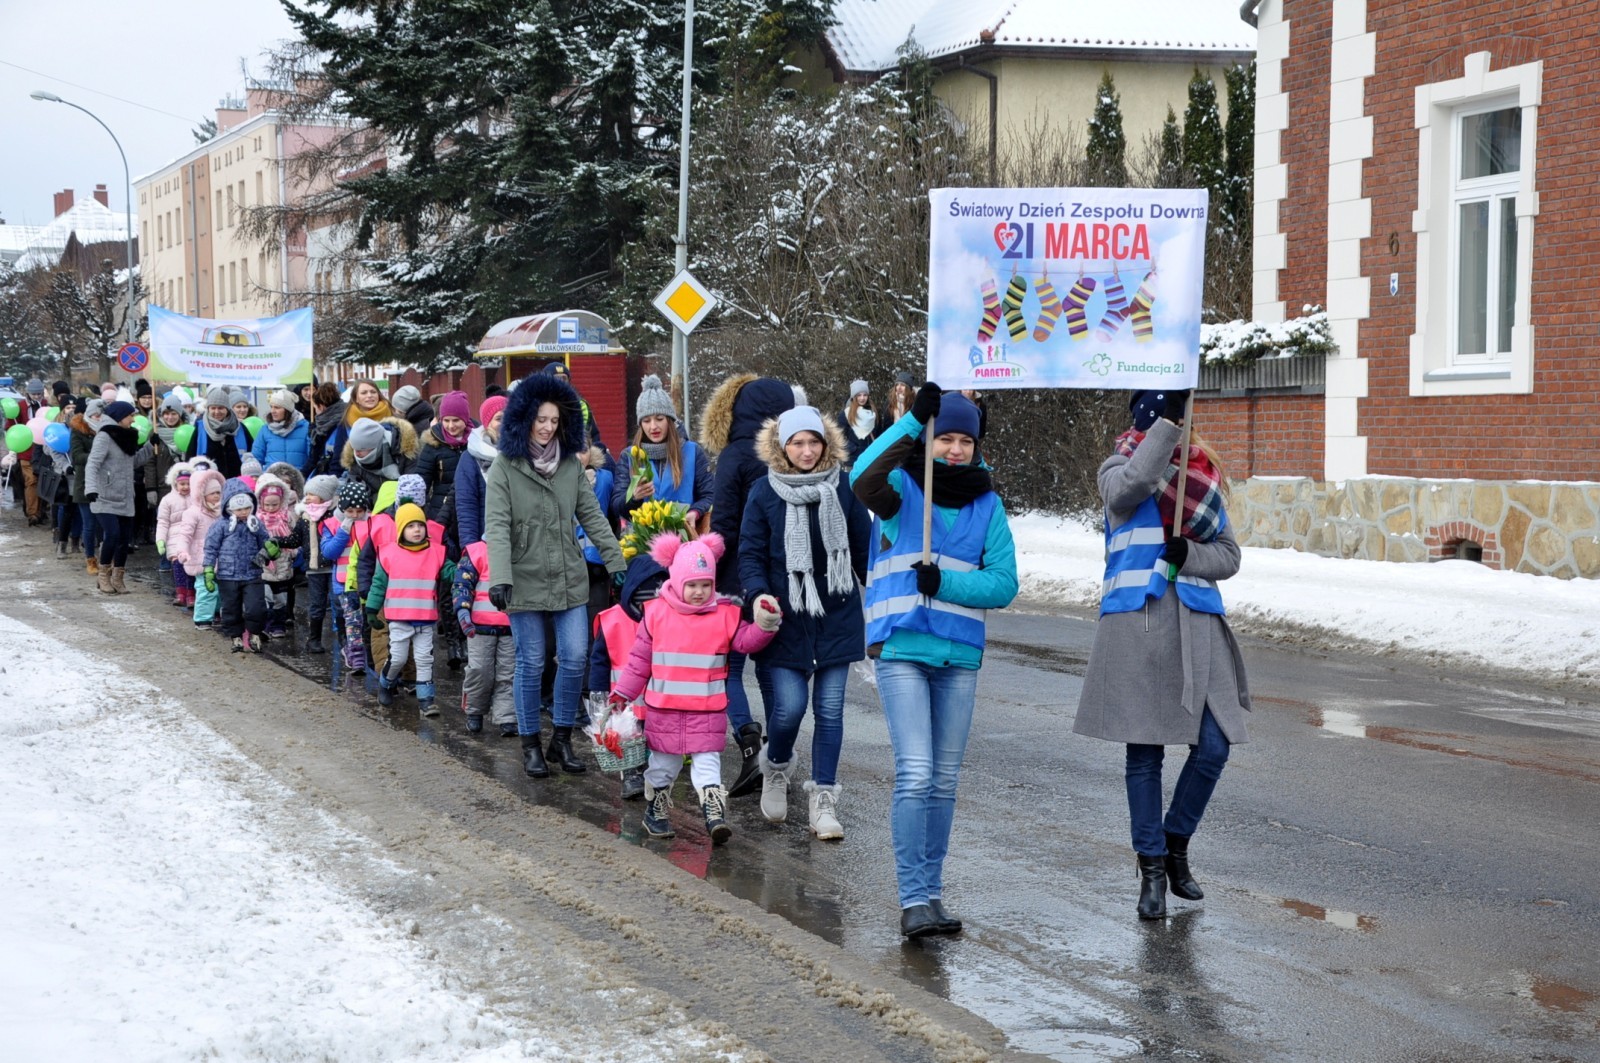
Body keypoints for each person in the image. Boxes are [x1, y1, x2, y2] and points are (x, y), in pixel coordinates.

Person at [1073, 388, 1250, 921]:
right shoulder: (1117, 468)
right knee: (1145, 754)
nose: (1177, 435)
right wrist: (1166, 426)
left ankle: (1175, 844)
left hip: (1198, 625)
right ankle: (1150, 867)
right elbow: (1137, 485)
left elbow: (1230, 555)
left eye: (1179, 423)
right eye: (1168, 424)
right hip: (1139, 626)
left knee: (1215, 745)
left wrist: (1191, 553)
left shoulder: (1202, 478)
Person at [851, 383, 1019, 938]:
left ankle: (932, 894)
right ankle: (913, 899)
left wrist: (945, 582)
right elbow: (860, 476)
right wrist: (908, 422)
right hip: (902, 650)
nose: (953, 449)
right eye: (942, 437)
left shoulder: (987, 503)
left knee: (944, 781)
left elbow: (1003, 583)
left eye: (963, 440)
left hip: (959, 657)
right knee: (917, 772)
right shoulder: (900, 489)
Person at [484, 371, 625, 779]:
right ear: (525, 418)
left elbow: (594, 518)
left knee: (576, 656)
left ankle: (561, 738)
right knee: (532, 661)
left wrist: (618, 565)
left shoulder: (568, 465)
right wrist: (500, 576)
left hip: (568, 575)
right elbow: (496, 525)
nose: (547, 428)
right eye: (540, 420)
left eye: (554, 421)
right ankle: (531, 744)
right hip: (522, 578)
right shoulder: (506, 468)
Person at [740, 406, 870, 840]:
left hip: (837, 615)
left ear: (826, 444)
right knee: (790, 707)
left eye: (814, 442)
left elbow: (863, 550)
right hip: (785, 618)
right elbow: (751, 554)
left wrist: (888, 600)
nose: (807, 450)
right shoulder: (763, 492)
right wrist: (758, 595)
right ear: (782, 446)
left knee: (830, 711)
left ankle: (824, 798)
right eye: (798, 442)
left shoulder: (843, 488)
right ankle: (775, 766)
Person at [607, 533, 781, 844]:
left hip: (707, 709)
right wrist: (622, 694)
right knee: (663, 764)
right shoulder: (656, 613)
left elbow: (745, 641)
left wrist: (764, 626)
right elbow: (638, 661)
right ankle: (656, 810)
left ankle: (714, 814)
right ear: (676, 581)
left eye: (705, 584)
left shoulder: (725, 614)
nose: (699, 592)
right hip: (665, 709)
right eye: (692, 585)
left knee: (708, 762)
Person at [697, 373, 794, 795]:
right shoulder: (790, 455)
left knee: (728, 666)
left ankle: (749, 742)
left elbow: (723, 525)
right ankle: (778, 753)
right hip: (781, 578)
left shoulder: (735, 455)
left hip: (736, 576)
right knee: (772, 669)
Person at [587, 554, 667, 799]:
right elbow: (599, 660)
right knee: (628, 742)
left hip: (658, 701)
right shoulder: (612, 620)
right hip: (623, 702)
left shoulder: (668, 620)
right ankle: (632, 777)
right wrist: (598, 696)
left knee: (655, 744)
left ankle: (655, 778)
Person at [366, 502, 454, 716]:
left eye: (420, 525)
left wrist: (465, 572)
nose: (417, 530)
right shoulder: (388, 554)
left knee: (425, 660)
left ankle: (426, 700)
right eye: (411, 526)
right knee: (398, 658)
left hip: (424, 620)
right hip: (398, 619)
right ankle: (386, 684)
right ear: (401, 529)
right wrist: (371, 609)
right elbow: (378, 584)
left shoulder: (436, 553)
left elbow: (451, 572)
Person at [613, 374, 711, 528]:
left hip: (683, 540)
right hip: (641, 544)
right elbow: (617, 507)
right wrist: (634, 498)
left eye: (659, 419)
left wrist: (695, 511)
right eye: (646, 421)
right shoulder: (629, 456)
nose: (653, 427)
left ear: (670, 420)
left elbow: (710, 495)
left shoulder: (693, 452)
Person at [84, 400, 153, 594]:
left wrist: (149, 446)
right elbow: (92, 464)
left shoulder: (128, 436)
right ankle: (103, 574)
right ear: (120, 416)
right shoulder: (105, 435)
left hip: (125, 496)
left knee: (124, 540)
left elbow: (134, 462)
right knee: (112, 535)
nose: (133, 419)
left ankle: (118, 577)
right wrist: (91, 488)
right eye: (130, 415)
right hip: (104, 495)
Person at [453, 536, 517, 736]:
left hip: (513, 625)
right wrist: (463, 611)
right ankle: (474, 711)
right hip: (479, 627)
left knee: (509, 673)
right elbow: (462, 585)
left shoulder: (521, 550)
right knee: (480, 671)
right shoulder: (475, 552)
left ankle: (506, 717)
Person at [204, 479, 274, 653]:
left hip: (252, 574)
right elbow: (211, 547)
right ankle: (235, 636)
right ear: (229, 508)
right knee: (231, 608)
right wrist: (208, 569)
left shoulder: (256, 524)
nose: (243, 512)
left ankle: (255, 632)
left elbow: (266, 541)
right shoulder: (220, 526)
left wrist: (271, 549)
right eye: (239, 509)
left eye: (247, 508)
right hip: (228, 575)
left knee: (256, 608)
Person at [324, 479, 373, 673]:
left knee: (366, 620)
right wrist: (343, 531)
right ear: (343, 508)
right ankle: (357, 657)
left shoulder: (372, 523)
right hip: (344, 582)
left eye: (359, 511)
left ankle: (364, 654)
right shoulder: (332, 525)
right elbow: (329, 552)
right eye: (350, 511)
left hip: (366, 580)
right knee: (352, 620)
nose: (354, 516)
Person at [169, 469, 226, 628]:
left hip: (220, 558)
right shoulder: (192, 513)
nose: (216, 496)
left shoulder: (222, 513)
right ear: (201, 494)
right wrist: (182, 551)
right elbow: (184, 535)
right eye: (212, 493)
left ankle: (217, 613)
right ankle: (202, 618)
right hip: (200, 559)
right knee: (205, 588)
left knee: (220, 588)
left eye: (218, 492)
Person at [253, 473, 303, 638]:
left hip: (283, 562)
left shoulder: (286, 517)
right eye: (267, 504)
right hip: (265, 564)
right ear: (260, 501)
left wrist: (294, 551)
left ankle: (278, 624)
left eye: (275, 504)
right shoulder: (257, 519)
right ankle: (266, 626)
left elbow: (295, 535)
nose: (270, 508)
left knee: (281, 598)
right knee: (266, 596)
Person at [454, 394, 505, 548]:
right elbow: (466, 508)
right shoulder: (470, 458)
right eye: (499, 418)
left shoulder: (523, 453)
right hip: (487, 542)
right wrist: (470, 549)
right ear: (487, 422)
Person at [414, 389, 472, 526]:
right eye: (446, 420)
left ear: (465, 418)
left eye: (456, 420)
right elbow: (422, 482)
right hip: (439, 512)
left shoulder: (477, 442)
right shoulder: (433, 444)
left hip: (470, 509)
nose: (451, 426)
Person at [298, 474, 341, 654]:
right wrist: (279, 542)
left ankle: (346, 640)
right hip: (315, 569)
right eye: (306, 494)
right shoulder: (305, 516)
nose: (307, 498)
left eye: (312, 494)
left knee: (339, 603)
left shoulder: (337, 515)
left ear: (325, 497)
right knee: (317, 604)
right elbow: (296, 538)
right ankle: (313, 639)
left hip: (334, 567)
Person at [340, 413, 419, 497]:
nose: (356, 453)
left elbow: (413, 490)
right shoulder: (353, 462)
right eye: (354, 448)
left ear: (376, 446)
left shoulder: (404, 453)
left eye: (362, 449)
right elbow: (357, 496)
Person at [183, 386, 255, 477]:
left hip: (237, 483)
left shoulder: (239, 428)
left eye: (221, 408)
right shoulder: (200, 428)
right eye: (213, 408)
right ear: (208, 409)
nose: (216, 412)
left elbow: (252, 455)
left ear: (228, 409)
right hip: (208, 484)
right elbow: (190, 458)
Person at [156, 462, 197, 607]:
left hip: (192, 538)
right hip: (174, 538)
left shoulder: (196, 498)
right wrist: (161, 540)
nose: (186, 487)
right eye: (182, 484)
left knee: (191, 567)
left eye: (188, 483)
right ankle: (181, 593)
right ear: (175, 483)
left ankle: (191, 594)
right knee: (178, 566)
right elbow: (163, 522)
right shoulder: (167, 500)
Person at [542, 361, 605, 453]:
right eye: (556, 379)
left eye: (564, 379)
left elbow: (594, 436)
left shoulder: (580, 406)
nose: (560, 382)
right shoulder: (536, 405)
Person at [251, 389, 313, 474]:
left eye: (277, 407)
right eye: (271, 407)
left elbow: (312, 458)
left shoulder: (306, 428)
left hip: (297, 481)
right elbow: (256, 459)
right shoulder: (265, 430)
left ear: (287, 410)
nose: (272, 411)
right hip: (272, 482)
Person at [308, 382, 349, 476]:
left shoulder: (339, 425)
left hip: (334, 479)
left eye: (315, 407)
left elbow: (338, 460)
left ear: (321, 407)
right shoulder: (348, 414)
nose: (315, 412)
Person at [834, 379, 875, 467]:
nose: (862, 398)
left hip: (871, 458)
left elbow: (878, 434)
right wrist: (853, 448)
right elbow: (837, 436)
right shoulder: (846, 414)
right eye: (859, 395)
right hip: (853, 460)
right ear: (853, 397)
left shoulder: (873, 413)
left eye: (865, 395)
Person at [879, 371, 915, 438]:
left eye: (902, 385)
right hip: (892, 439)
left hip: (909, 439)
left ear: (909, 388)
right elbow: (886, 425)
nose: (899, 387)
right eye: (897, 385)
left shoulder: (914, 403)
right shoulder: (890, 402)